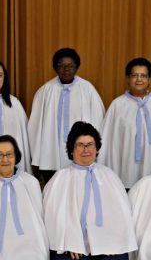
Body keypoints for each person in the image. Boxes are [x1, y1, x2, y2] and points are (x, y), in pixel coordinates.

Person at [43, 122, 137, 260]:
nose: (86, 149)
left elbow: (123, 214)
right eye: (80, 145)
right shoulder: (60, 178)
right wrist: (69, 242)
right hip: (69, 248)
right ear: (71, 149)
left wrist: (114, 243)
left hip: (108, 247)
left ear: (97, 148)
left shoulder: (110, 176)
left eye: (90, 144)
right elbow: (51, 216)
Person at [28, 48, 105, 183]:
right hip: (50, 154)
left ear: (77, 67)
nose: (66, 70)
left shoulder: (87, 89)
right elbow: (35, 126)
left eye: (70, 66)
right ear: (55, 68)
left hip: (81, 153)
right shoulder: (45, 91)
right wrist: (36, 155)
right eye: (61, 66)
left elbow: (99, 121)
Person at [99, 57, 151, 189]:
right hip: (125, 168)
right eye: (134, 75)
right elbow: (107, 141)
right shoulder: (117, 105)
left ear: (149, 80)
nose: (139, 79)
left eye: (143, 76)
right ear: (128, 79)